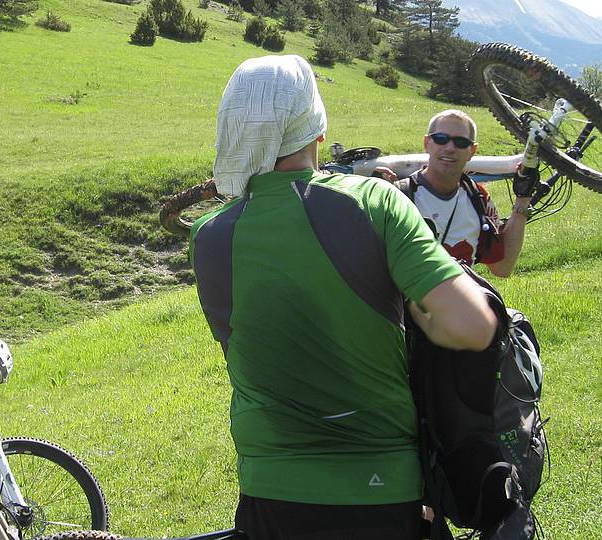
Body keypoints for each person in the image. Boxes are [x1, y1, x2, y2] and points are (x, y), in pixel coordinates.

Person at [189, 55, 499, 539]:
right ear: (316, 128)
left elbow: (246, 341)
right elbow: (472, 326)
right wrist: (416, 312)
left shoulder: (208, 235)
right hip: (381, 488)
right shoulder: (374, 201)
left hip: (270, 488)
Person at [376, 109, 537, 277]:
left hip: (459, 300)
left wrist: (523, 198)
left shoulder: (478, 198)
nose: (450, 148)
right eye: (441, 139)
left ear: (472, 151)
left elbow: (502, 268)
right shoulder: (398, 194)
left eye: (460, 142)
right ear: (427, 143)